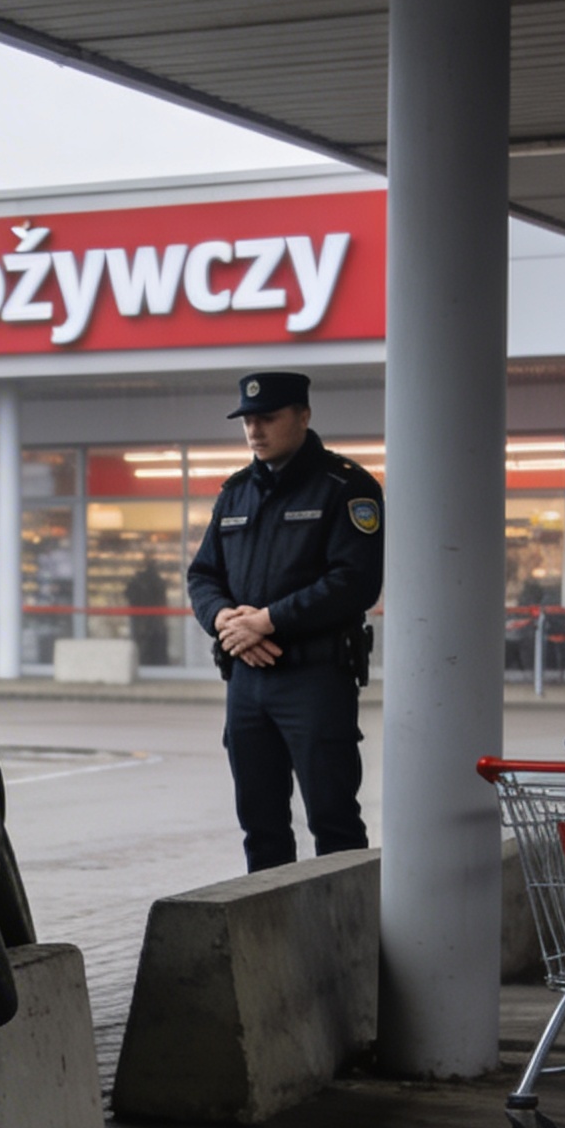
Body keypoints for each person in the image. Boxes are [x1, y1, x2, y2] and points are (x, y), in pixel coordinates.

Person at [187, 370, 384, 871]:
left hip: (315, 679)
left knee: (334, 823)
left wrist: (269, 621)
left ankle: (346, 923)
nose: (255, 430)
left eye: (268, 418)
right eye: (248, 421)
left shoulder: (346, 487)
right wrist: (226, 621)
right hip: (247, 681)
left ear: (303, 416)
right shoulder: (235, 493)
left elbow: (354, 581)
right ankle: (270, 922)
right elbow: (203, 575)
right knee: (261, 827)